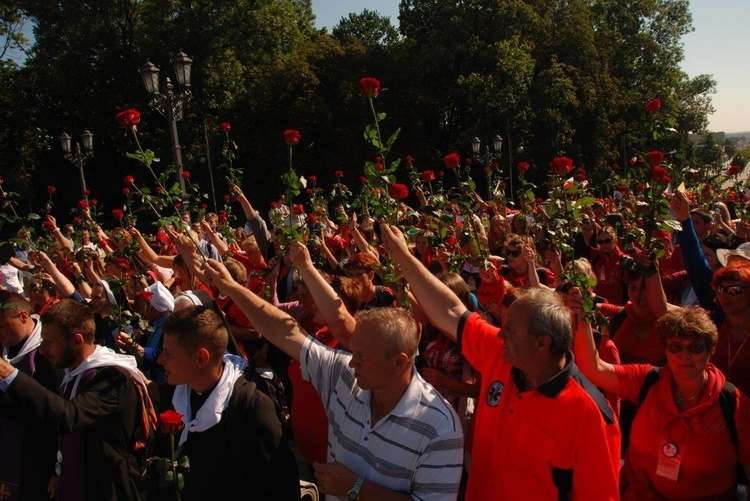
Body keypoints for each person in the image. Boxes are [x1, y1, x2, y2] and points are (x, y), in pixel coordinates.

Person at [380, 223, 620, 500]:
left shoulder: (592, 417)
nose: (501, 332)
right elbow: (449, 310)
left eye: (511, 329)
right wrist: (404, 257)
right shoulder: (501, 352)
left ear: (542, 343)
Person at [201, 258, 464, 500]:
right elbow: (284, 331)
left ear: (399, 362)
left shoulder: (439, 426)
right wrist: (230, 287)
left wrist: (357, 487)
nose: (351, 361)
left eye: (361, 356)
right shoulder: (344, 377)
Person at [570, 295, 750, 499]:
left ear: (710, 351)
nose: (685, 355)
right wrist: (582, 317)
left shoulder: (733, 403)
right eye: (676, 347)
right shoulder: (649, 380)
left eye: (695, 347)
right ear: (665, 350)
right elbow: (593, 369)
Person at [0, 299, 145, 500]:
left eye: (49, 342)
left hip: (105, 490)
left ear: (77, 341)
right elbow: (44, 414)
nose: (42, 351)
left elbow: (68, 416)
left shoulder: (113, 377)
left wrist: (7, 372)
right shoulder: (72, 374)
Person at [154, 306, 299, 500]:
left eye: (169, 353)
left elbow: (280, 487)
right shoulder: (176, 391)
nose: (160, 360)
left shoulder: (251, 406)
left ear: (201, 358)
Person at [0, 291, 59, 501]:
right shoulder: (3, 349)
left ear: (23, 317)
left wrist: (56, 468)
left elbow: (58, 412)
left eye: (1, 325)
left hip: (35, 459)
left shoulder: (47, 355)